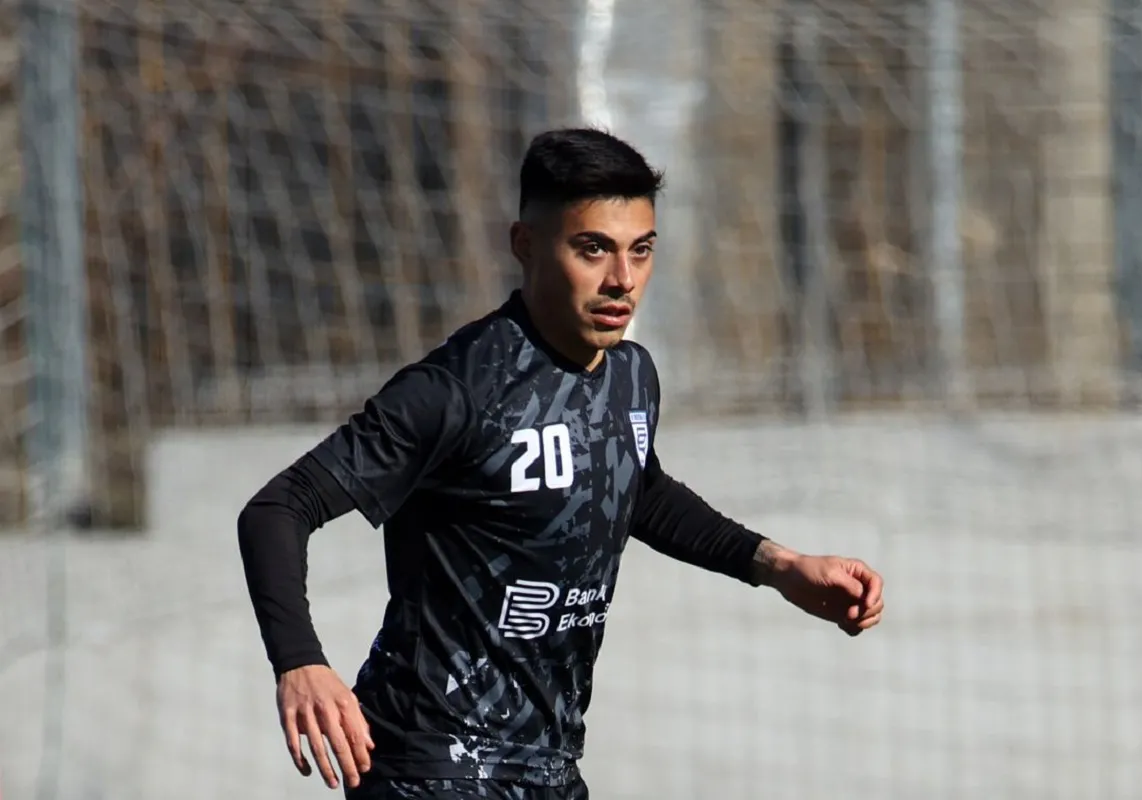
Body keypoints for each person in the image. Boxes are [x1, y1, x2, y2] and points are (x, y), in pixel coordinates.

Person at [236, 127, 885, 800]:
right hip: (430, 765)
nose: (622, 280)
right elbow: (279, 509)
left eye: (642, 250)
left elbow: (637, 488)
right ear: (525, 245)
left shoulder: (632, 377)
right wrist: (301, 662)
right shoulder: (455, 389)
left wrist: (778, 566)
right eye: (593, 248)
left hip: (548, 768)